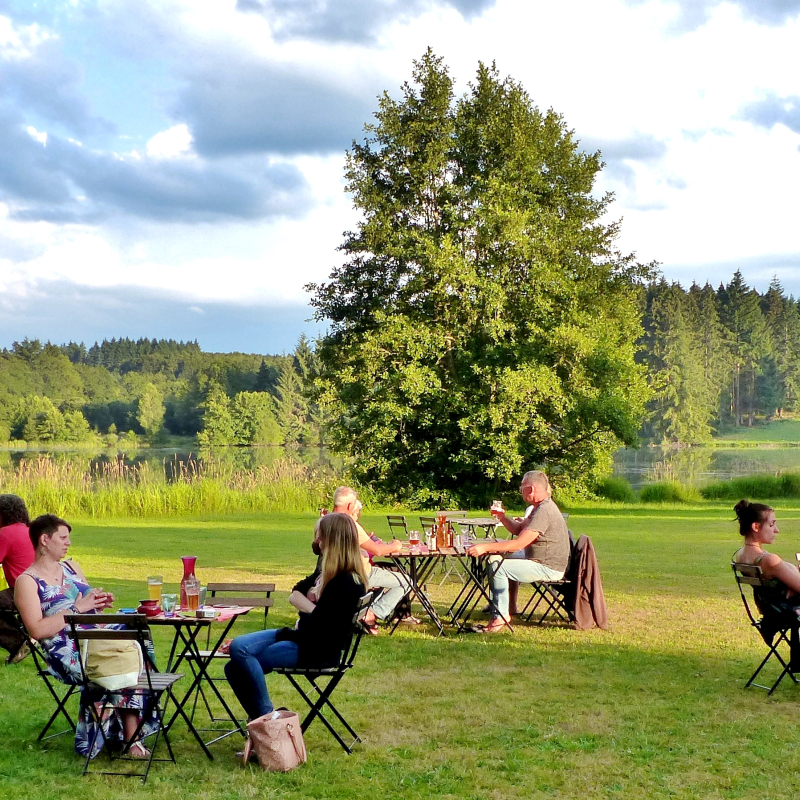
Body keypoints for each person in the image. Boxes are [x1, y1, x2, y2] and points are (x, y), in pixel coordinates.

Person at [14, 514, 156, 759]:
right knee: (118, 657)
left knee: (133, 636)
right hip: (65, 650)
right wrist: (77, 610)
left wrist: (98, 601)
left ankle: (124, 733)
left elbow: (89, 603)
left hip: (94, 638)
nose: (68, 542)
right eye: (63, 537)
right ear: (45, 540)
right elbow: (37, 630)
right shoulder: (27, 582)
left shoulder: (72, 567)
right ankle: (130, 739)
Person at [224, 512, 368, 720]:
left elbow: (314, 631)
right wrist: (304, 621)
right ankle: (264, 723)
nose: (318, 542)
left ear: (333, 541)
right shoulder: (335, 574)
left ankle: (268, 720)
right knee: (236, 661)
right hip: (308, 642)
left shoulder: (344, 584)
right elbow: (307, 608)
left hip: (315, 651)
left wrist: (291, 629)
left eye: (322, 537)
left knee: (240, 653)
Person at [467, 470, 570, 633]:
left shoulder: (544, 511)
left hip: (548, 567)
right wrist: (502, 517)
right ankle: (510, 606)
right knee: (498, 558)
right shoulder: (539, 507)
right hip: (539, 560)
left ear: (531, 489)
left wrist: (485, 547)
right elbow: (517, 529)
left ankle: (500, 615)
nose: (520, 491)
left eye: (521, 488)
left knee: (497, 567)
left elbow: (518, 544)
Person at [329, 486, 415, 631]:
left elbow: (317, 547)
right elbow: (378, 550)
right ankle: (372, 613)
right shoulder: (351, 525)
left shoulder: (326, 522)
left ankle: (369, 611)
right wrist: (395, 545)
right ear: (350, 505)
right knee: (407, 581)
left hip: (335, 573)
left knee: (385, 572)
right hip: (361, 573)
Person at [733, 499, 800, 602]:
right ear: (756, 526)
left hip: (773, 612)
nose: (776, 530)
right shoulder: (769, 560)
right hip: (789, 614)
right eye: (771, 524)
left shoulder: (740, 555)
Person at [0, 494, 35, 663]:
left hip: (23, 591)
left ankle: (18, 642)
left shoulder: (5, 534)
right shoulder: (30, 530)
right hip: (42, 588)